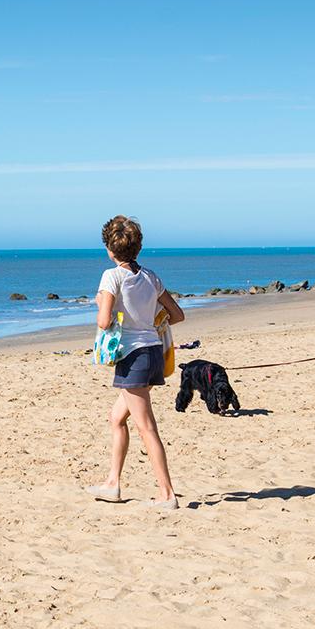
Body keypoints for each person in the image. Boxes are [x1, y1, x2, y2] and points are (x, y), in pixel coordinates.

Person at [85, 216, 185, 509]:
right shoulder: (151, 277)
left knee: (146, 427)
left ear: (110, 248)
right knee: (116, 418)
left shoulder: (111, 276)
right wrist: (151, 319)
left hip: (133, 357)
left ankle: (167, 495)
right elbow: (177, 315)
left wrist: (100, 304)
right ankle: (112, 484)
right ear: (137, 247)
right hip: (153, 353)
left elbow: (104, 322)